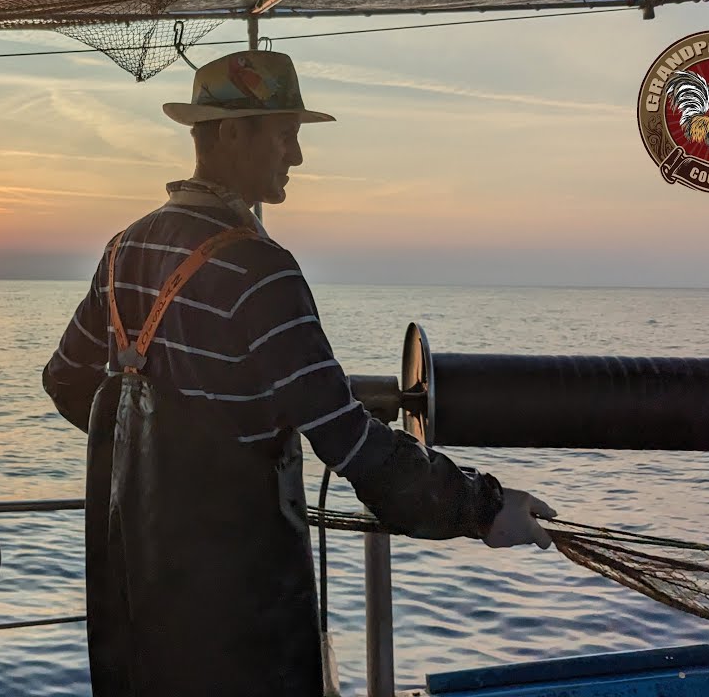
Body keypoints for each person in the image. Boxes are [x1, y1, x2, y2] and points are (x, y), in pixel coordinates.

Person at [42, 50, 556, 697]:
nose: (298, 156)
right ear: (231, 134)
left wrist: (161, 458)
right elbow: (350, 441)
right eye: (285, 135)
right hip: (239, 619)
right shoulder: (263, 272)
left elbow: (66, 381)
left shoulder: (124, 250)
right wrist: (480, 505)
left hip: (141, 611)